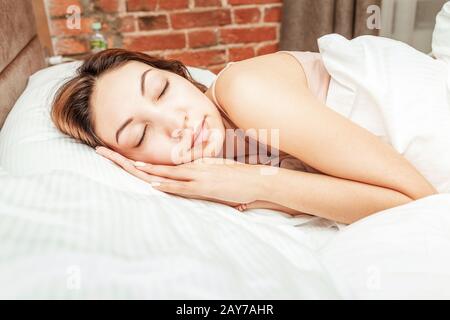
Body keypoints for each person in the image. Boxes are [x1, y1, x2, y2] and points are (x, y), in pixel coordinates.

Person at [51, 48, 437, 224]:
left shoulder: (243, 89)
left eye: (163, 90)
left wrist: (251, 182)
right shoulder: (225, 164)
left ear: (182, 75)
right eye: (140, 134)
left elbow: (417, 205)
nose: (176, 122)